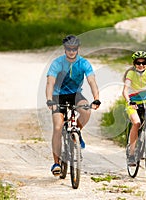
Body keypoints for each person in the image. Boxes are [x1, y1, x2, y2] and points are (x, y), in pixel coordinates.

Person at [46, 35, 101, 176]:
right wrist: (49, 99)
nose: (71, 52)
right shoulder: (57, 63)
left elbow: (92, 81)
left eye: (74, 49)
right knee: (58, 127)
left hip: (76, 95)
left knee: (86, 110)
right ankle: (56, 163)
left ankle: (77, 131)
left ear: (78, 49)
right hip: (58, 96)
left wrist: (96, 98)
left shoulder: (84, 63)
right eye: (69, 49)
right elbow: (50, 82)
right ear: (65, 49)